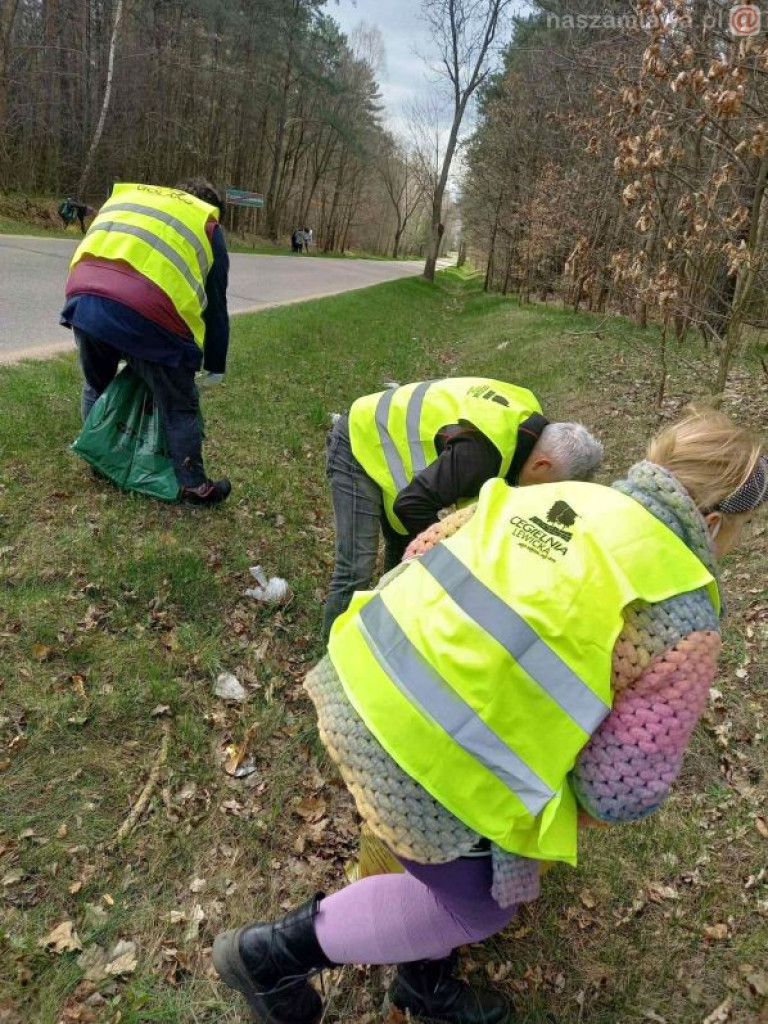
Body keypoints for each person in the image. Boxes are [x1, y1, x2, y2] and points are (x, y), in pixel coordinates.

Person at [212, 407, 765, 1024]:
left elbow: (420, 551)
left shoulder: (553, 495)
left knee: (441, 862)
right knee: (475, 907)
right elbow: (617, 791)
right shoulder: (681, 611)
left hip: (356, 678)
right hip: (426, 758)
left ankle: (422, 981)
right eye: (742, 532)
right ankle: (271, 956)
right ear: (713, 524)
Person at [321, 377, 603, 640]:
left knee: (404, 546)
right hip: (360, 436)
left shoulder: (527, 426)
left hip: (392, 444)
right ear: (541, 464)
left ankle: (383, 632)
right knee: (356, 566)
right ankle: (332, 654)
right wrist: (448, 560)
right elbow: (411, 505)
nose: (544, 498)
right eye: (550, 489)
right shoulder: (480, 454)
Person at [61, 179, 231, 504]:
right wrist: (215, 364)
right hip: (150, 313)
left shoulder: (134, 198)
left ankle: (98, 460)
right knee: (179, 404)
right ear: (212, 209)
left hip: (85, 298)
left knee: (96, 385)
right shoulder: (206, 223)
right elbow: (216, 305)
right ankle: (195, 487)